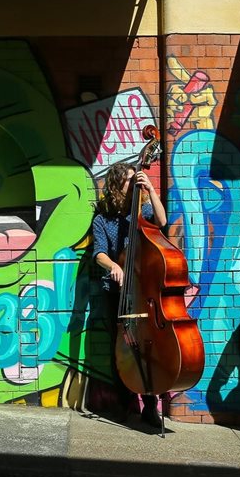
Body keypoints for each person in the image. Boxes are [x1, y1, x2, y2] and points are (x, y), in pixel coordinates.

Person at [91, 160, 167, 428]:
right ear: (116, 186)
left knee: (147, 350)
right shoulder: (102, 219)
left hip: (143, 292)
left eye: (137, 182)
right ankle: (126, 404)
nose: (134, 186)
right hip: (116, 293)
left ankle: (150, 406)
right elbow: (98, 252)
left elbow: (162, 220)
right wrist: (114, 266)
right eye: (129, 182)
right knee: (122, 350)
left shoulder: (142, 211)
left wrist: (152, 190)